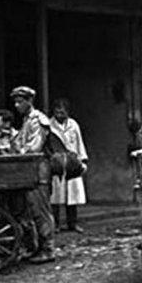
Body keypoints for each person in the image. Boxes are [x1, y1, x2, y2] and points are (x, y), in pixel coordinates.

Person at [10, 85, 55, 264]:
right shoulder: (26, 120)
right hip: (28, 170)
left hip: (39, 170)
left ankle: (48, 248)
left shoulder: (38, 120)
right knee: (28, 211)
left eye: (20, 101)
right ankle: (34, 246)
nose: (16, 105)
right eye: (15, 102)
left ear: (29, 101)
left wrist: (19, 150)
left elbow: (34, 147)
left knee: (40, 210)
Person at [49, 98, 88, 233]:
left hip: (72, 162)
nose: (60, 114)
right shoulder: (49, 126)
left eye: (63, 111)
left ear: (67, 112)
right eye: (57, 111)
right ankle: (56, 224)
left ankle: (73, 223)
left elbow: (79, 142)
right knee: (56, 197)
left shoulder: (73, 125)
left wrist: (82, 160)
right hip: (57, 163)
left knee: (72, 196)